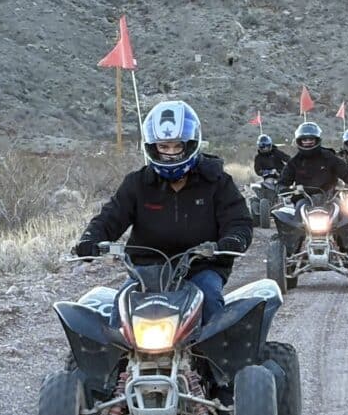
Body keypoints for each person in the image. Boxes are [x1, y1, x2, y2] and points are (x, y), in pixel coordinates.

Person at [74, 100, 253, 325]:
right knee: (120, 313)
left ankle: (214, 360)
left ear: (190, 144)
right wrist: (91, 239)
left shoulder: (217, 182)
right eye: (163, 147)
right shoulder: (138, 183)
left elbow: (239, 221)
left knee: (210, 303)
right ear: (152, 147)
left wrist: (232, 241)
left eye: (176, 146)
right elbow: (110, 217)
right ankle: (117, 361)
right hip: (146, 271)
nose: (170, 154)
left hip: (200, 268)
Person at [279, 121, 348, 196]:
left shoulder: (329, 156)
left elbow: (346, 171)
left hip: (330, 199)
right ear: (299, 141)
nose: (308, 142)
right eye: (304, 139)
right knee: (289, 212)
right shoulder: (294, 162)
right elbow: (283, 182)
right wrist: (284, 189)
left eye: (311, 139)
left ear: (317, 140)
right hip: (304, 200)